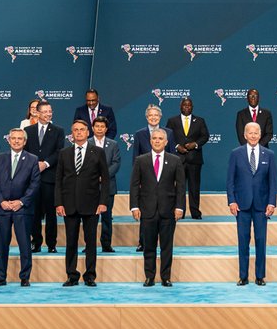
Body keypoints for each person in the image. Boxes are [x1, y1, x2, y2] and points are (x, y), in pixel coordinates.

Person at [54, 119, 110, 286]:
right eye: (75, 130)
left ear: (88, 132)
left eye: (82, 130)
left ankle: (90, 275)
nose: (78, 132)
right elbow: (58, 180)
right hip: (69, 204)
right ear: (72, 134)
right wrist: (59, 203)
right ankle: (72, 275)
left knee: (91, 241)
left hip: (92, 204)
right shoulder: (64, 153)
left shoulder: (98, 152)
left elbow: (105, 180)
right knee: (71, 241)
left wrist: (103, 202)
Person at [129, 128, 186, 286]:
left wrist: (180, 207)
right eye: (154, 138)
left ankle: (166, 277)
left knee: (167, 247)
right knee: (149, 246)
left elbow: (181, 187)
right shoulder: (141, 160)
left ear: (166, 142)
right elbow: (134, 185)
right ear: (150, 140)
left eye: (161, 138)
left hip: (168, 211)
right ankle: (149, 276)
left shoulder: (175, 160)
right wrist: (134, 206)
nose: (157, 141)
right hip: (147, 210)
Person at [0, 128, 40, 287]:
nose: (16, 141)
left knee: (24, 244)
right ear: (8, 140)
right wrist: (1, 201)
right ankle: (0, 277)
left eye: (20, 139)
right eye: (13, 138)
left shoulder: (32, 159)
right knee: (2, 244)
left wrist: (21, 202)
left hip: (22, 209)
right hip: (2, 208)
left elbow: (35, 184)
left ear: (24, 142)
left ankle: (25, 277)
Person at [226, 121, 277, 286]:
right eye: (250, 133)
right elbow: (230, 180)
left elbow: (273, 182)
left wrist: (272, 203)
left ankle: (260, 276)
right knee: (243, 241)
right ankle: (243, 276)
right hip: (242, 205)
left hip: (262, 206)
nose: (253, 136)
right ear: (245, 135)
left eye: (256, 133)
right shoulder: (236, 153)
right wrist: (231, 201)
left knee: (261, 240)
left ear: (260, 135)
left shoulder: (269, 154)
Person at [24, 100, 65, 253]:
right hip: (33, 178)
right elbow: (25, 152)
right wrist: (35, 165)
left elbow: (59, 151)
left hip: (50, 177)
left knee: (50, 213)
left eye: (50, 111)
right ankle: (36, 242)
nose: (49, 114)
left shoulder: (58, 131)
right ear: (37, 113)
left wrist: (46, 163)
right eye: (45, 111)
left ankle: (51, 243)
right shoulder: (28, 130)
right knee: (34, 212)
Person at [165, 97, 209, 219]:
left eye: (189, 105)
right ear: (180, 107)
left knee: (194, 187)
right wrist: (177, 146)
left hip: (194, 159)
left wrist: (195, 144)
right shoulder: (172, 120)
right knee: (179, 187)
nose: (187, 107)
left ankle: (195, 212)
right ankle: (180, 212)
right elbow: (167, 137)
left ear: (192, 107)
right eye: (184, 105)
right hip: (178, 159)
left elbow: (205, 136)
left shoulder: (199, 121)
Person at [90, 116, 122, 252]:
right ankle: (89, 245)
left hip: (108, 186)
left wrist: (104, 176)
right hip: (90, 186)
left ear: (106, 129)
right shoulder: (87, 143)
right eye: (97, 126)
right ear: (92, 128)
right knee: (90, 219)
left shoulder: (113, 144)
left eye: (102, 127)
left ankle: (106, 244)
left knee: (107, 217)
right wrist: (93, 176)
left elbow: (116, 163)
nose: (99, 129)